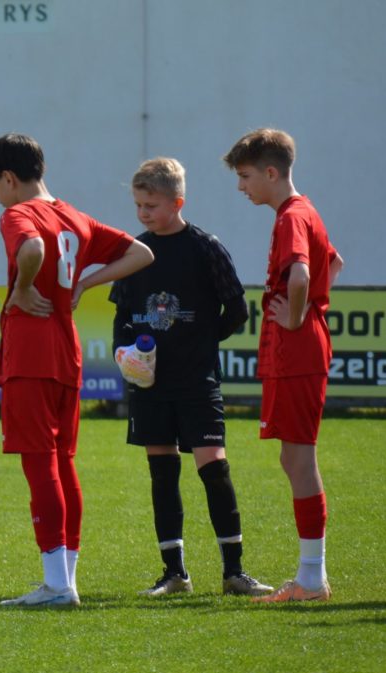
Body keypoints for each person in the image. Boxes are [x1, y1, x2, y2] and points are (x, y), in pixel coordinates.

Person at [0, 133, 154, 607]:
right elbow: (142, 253)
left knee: (40, 464)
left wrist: (21, 288)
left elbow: (30, 249)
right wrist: (84, 283)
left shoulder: (18, 213)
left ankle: (56, 585)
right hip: (65, 350)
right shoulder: (75, 216)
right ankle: (66, 579)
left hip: (31, 352)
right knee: (62, 462)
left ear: (9, 179)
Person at [108, 157, 273, 598]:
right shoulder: (133, 251)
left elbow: (236, 307)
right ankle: (174, 574)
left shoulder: (205, 247)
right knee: (162, 473)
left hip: (197, 380)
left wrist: (204, 342)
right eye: (139, 205)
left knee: (214, 469)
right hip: (150, 386)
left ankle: (235, 573)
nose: (144, 213)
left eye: (153, 205)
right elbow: (123, 316)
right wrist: (123, 355)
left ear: (177, 202)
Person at [223, 128, 343, 603]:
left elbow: (304, 273)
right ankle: (310, 575)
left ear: (271, 173)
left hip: (296, 351)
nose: (242, 187)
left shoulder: (291, 216)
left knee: (299, 459)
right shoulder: (304, 210)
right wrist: (310, 309)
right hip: (298, 348)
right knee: (293, 458)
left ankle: (311, 578)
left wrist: (296, 316)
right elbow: (335, 263)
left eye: (246, 176)